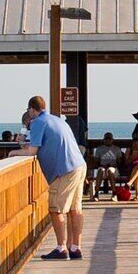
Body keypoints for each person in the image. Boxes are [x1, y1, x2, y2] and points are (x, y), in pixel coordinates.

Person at [22, 94, 89, 259]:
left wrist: (13, 152)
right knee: (75, 209)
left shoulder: (38, 122)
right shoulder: (56, 119)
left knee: (56, 209)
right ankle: (75, 248)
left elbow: (32, 151)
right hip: (79, 165)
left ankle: (61, 248)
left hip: (64, 169)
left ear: (32, 109)